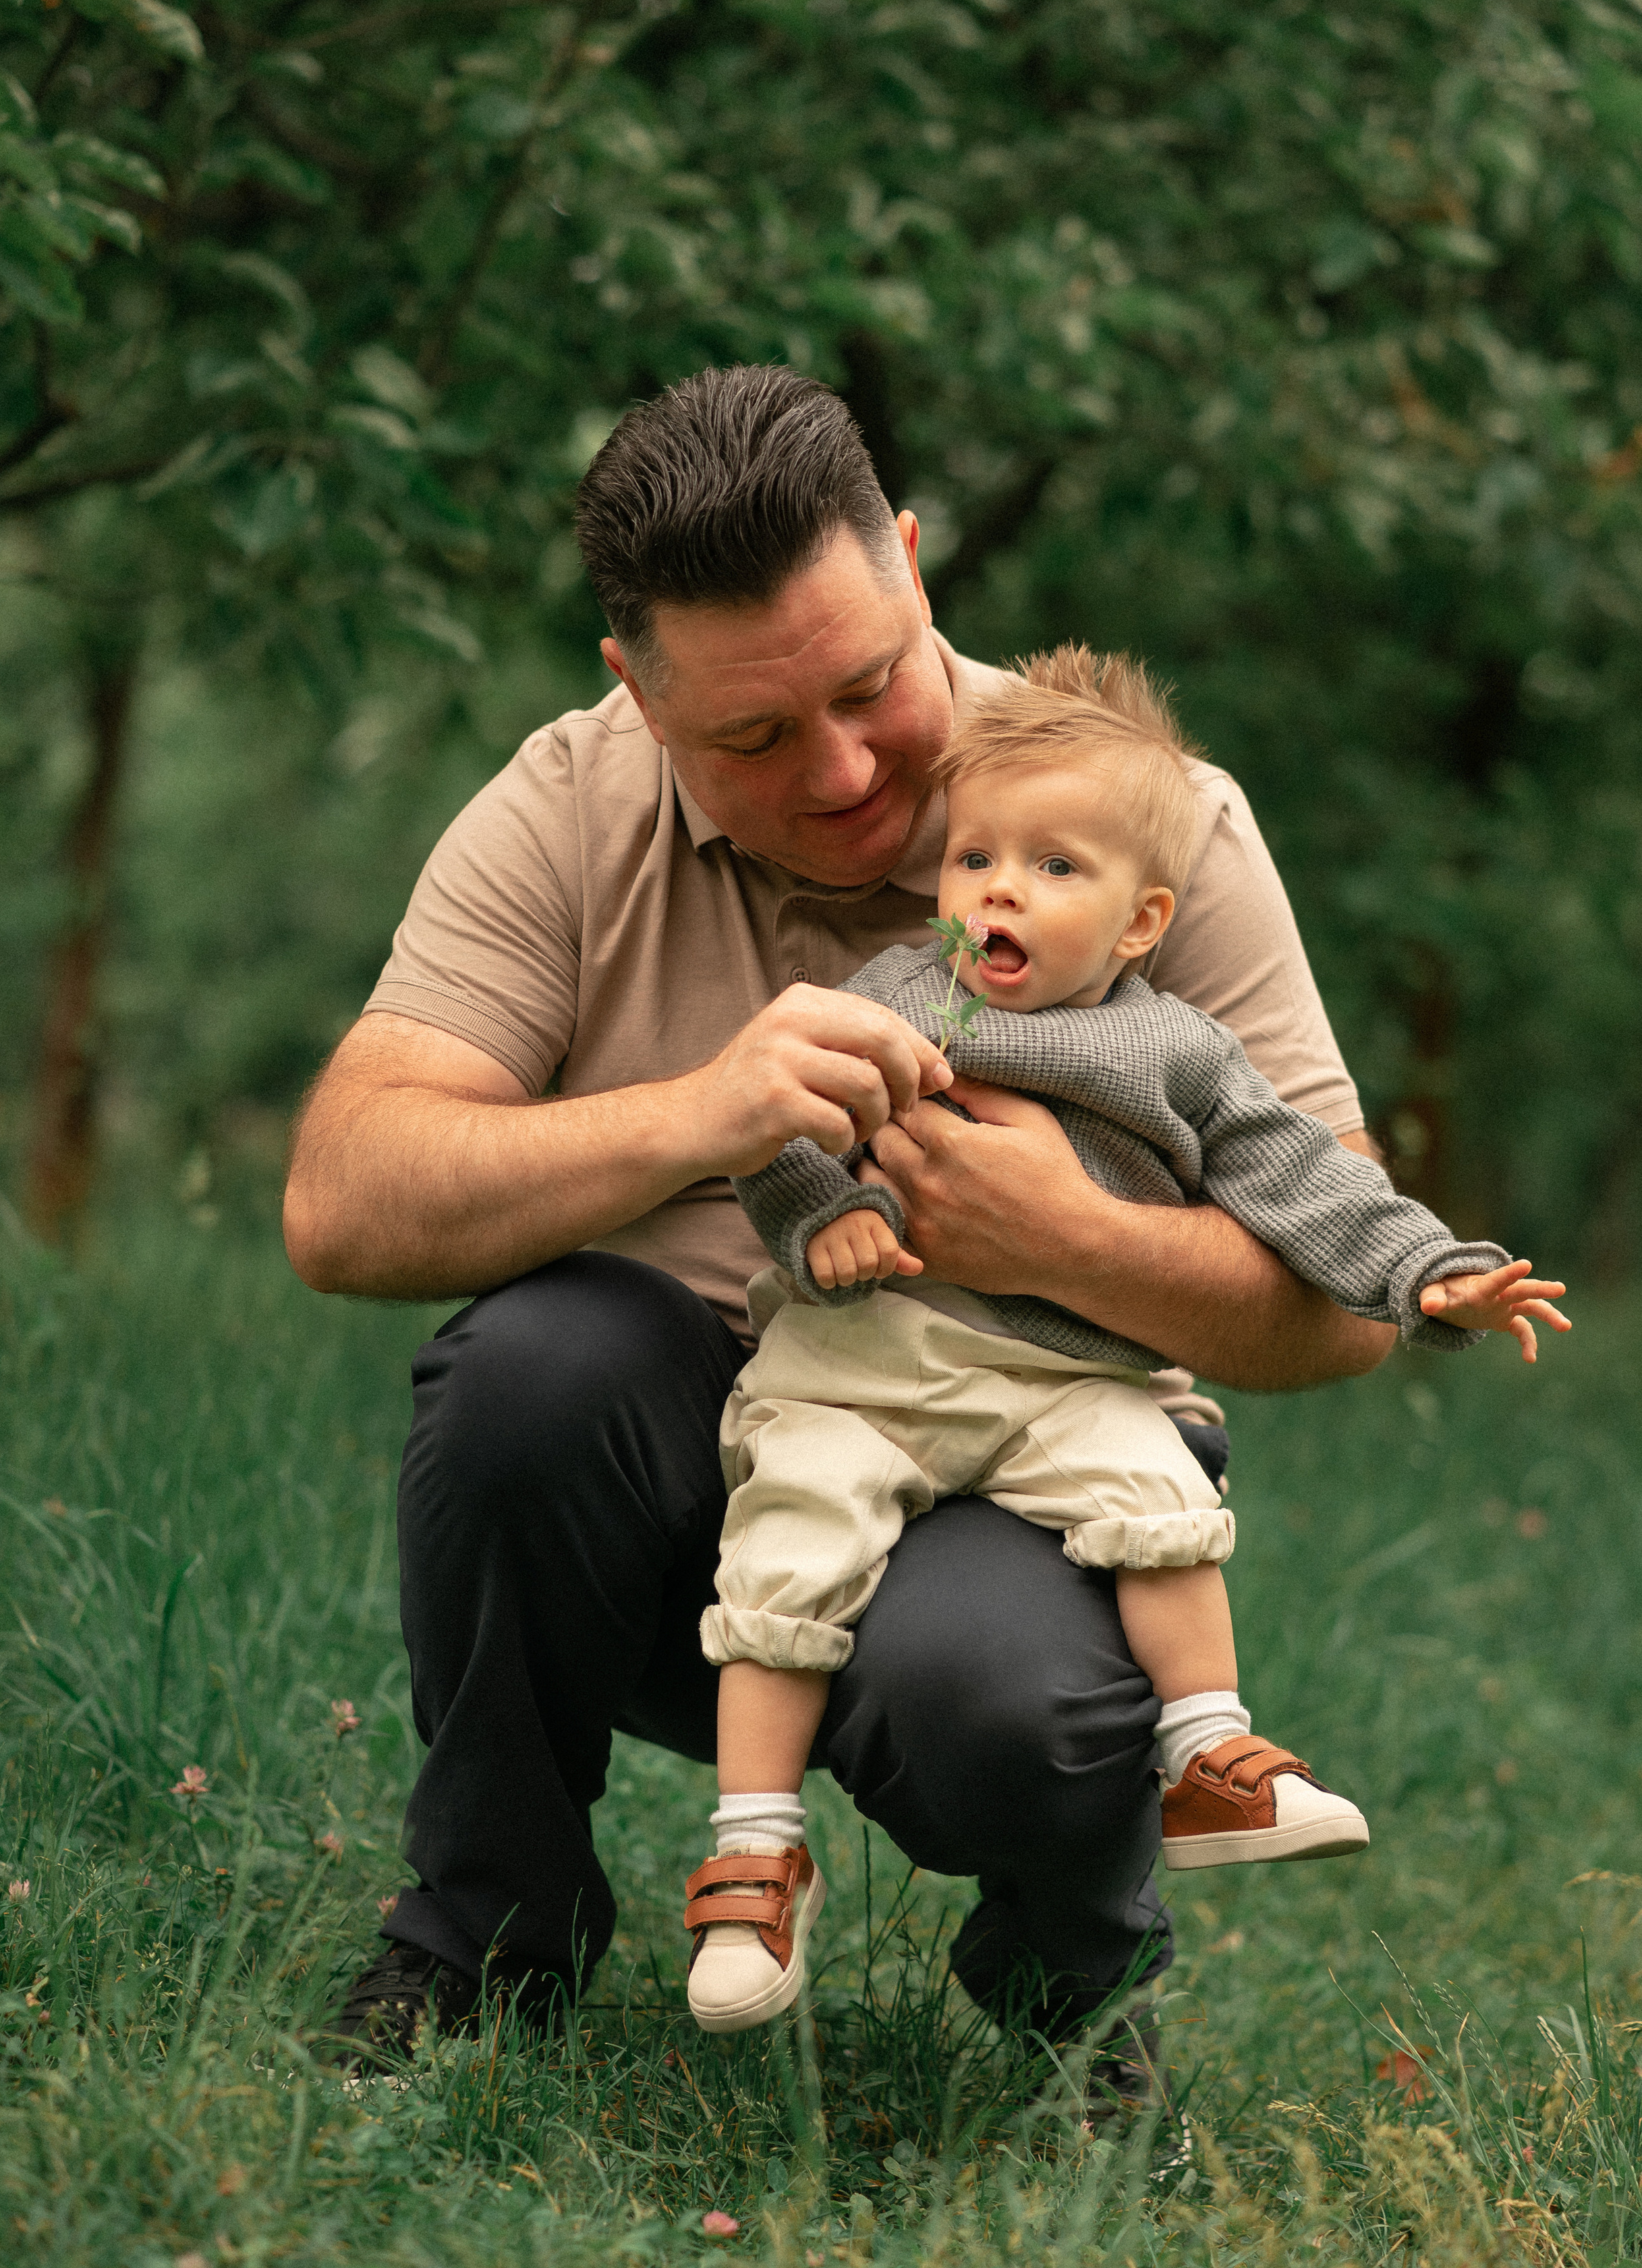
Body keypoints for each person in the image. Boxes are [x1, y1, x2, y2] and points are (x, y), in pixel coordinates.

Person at [283, 362, 1400, 2078]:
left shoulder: (1147, 821)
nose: (843, 765)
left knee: (1005, 1705)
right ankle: (486, 1936)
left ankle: (1064, 1991)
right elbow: (342, 1204)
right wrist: (702, 1117)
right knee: (526, 1372)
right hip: (667, 1489)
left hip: (1016, 1461)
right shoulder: (567, 805)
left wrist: (1055, 1237)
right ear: (638, 699)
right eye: (750, 735)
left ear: (907, 560)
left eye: (871, 686)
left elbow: (1345, 1303)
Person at [683, 658, 1569, 2034]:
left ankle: (1207, 1746)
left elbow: (1302, 1183)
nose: (997, 891)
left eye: (1051, 864)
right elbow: (779, 1129)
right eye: (973, 855)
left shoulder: (1176, 1051)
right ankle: (752, 1850)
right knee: (791, 1538)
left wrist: (1426, 1276)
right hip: (865, 1368)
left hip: (1066, 1376)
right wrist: (824, 1216)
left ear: (1142, 917)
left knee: (1156, 1491)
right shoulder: (897, 997)